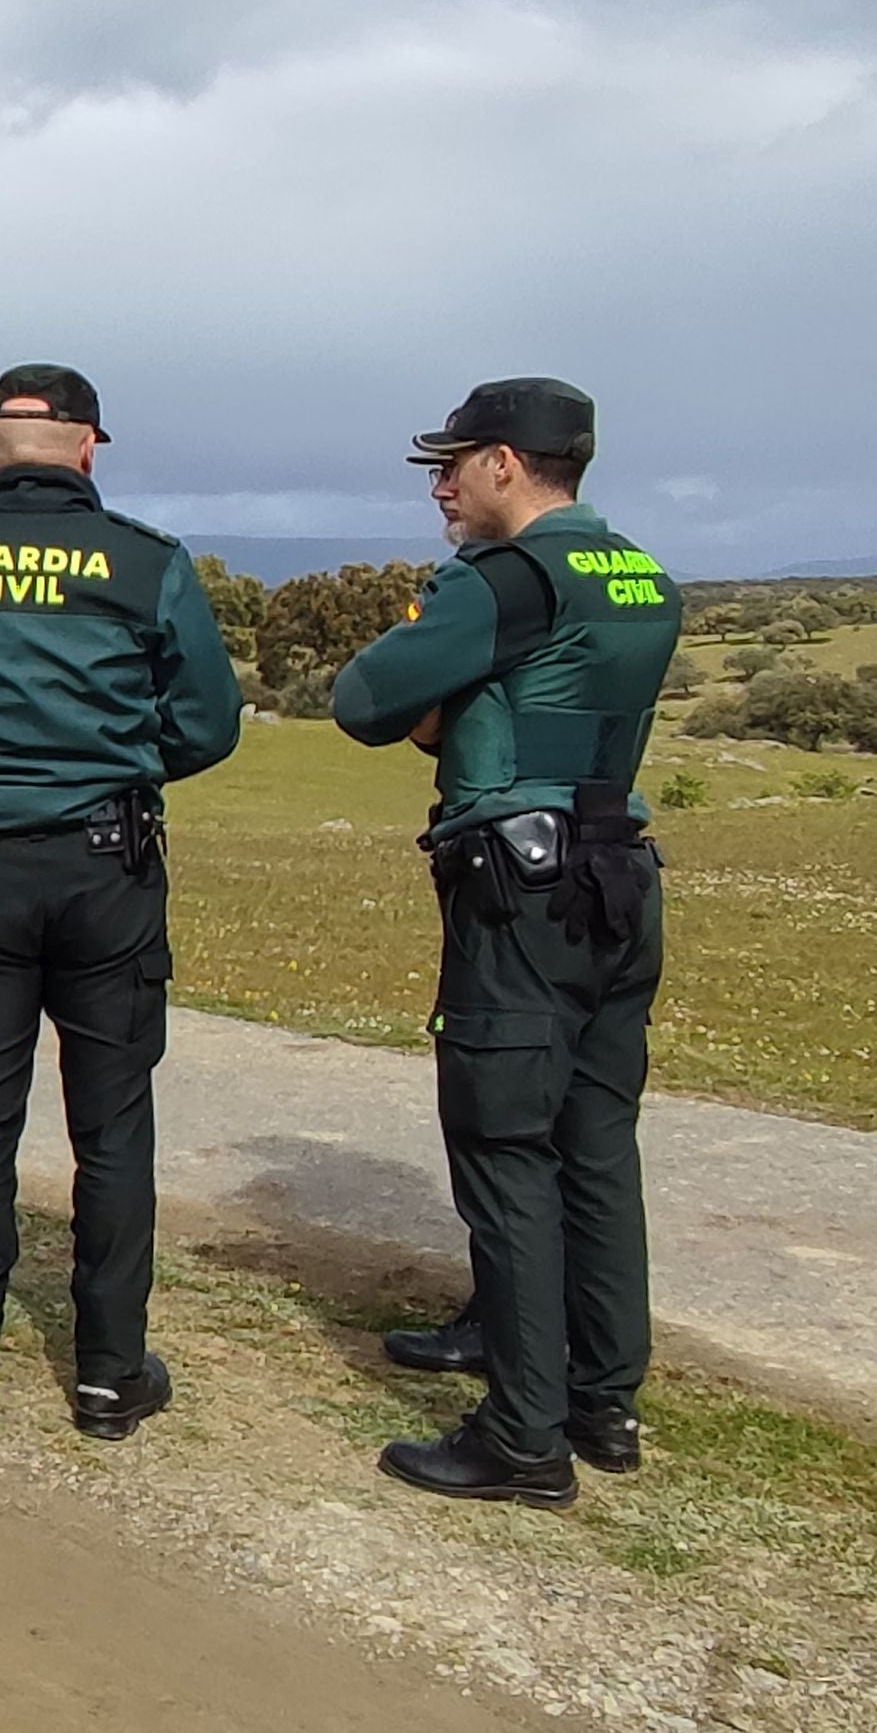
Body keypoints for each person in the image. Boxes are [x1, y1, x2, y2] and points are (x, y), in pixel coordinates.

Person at [0, 364, 242, 1440]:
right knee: (113, 1128)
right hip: (108, 870)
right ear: (88, 449)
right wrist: (109, 759)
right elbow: (208, 726)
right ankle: (111, 1374)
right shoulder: (147, 565)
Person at [330, 377, 680, 1507]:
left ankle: (523, 1439)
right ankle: (599, 1397)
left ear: (507, 466)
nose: (439, 484)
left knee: (503, 1147)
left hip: (517, 891)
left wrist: (446, 695)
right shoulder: (642, 575)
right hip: (616, 871)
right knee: (593, 1140)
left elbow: (366, 699)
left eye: (454, 462)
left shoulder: (500, 582)